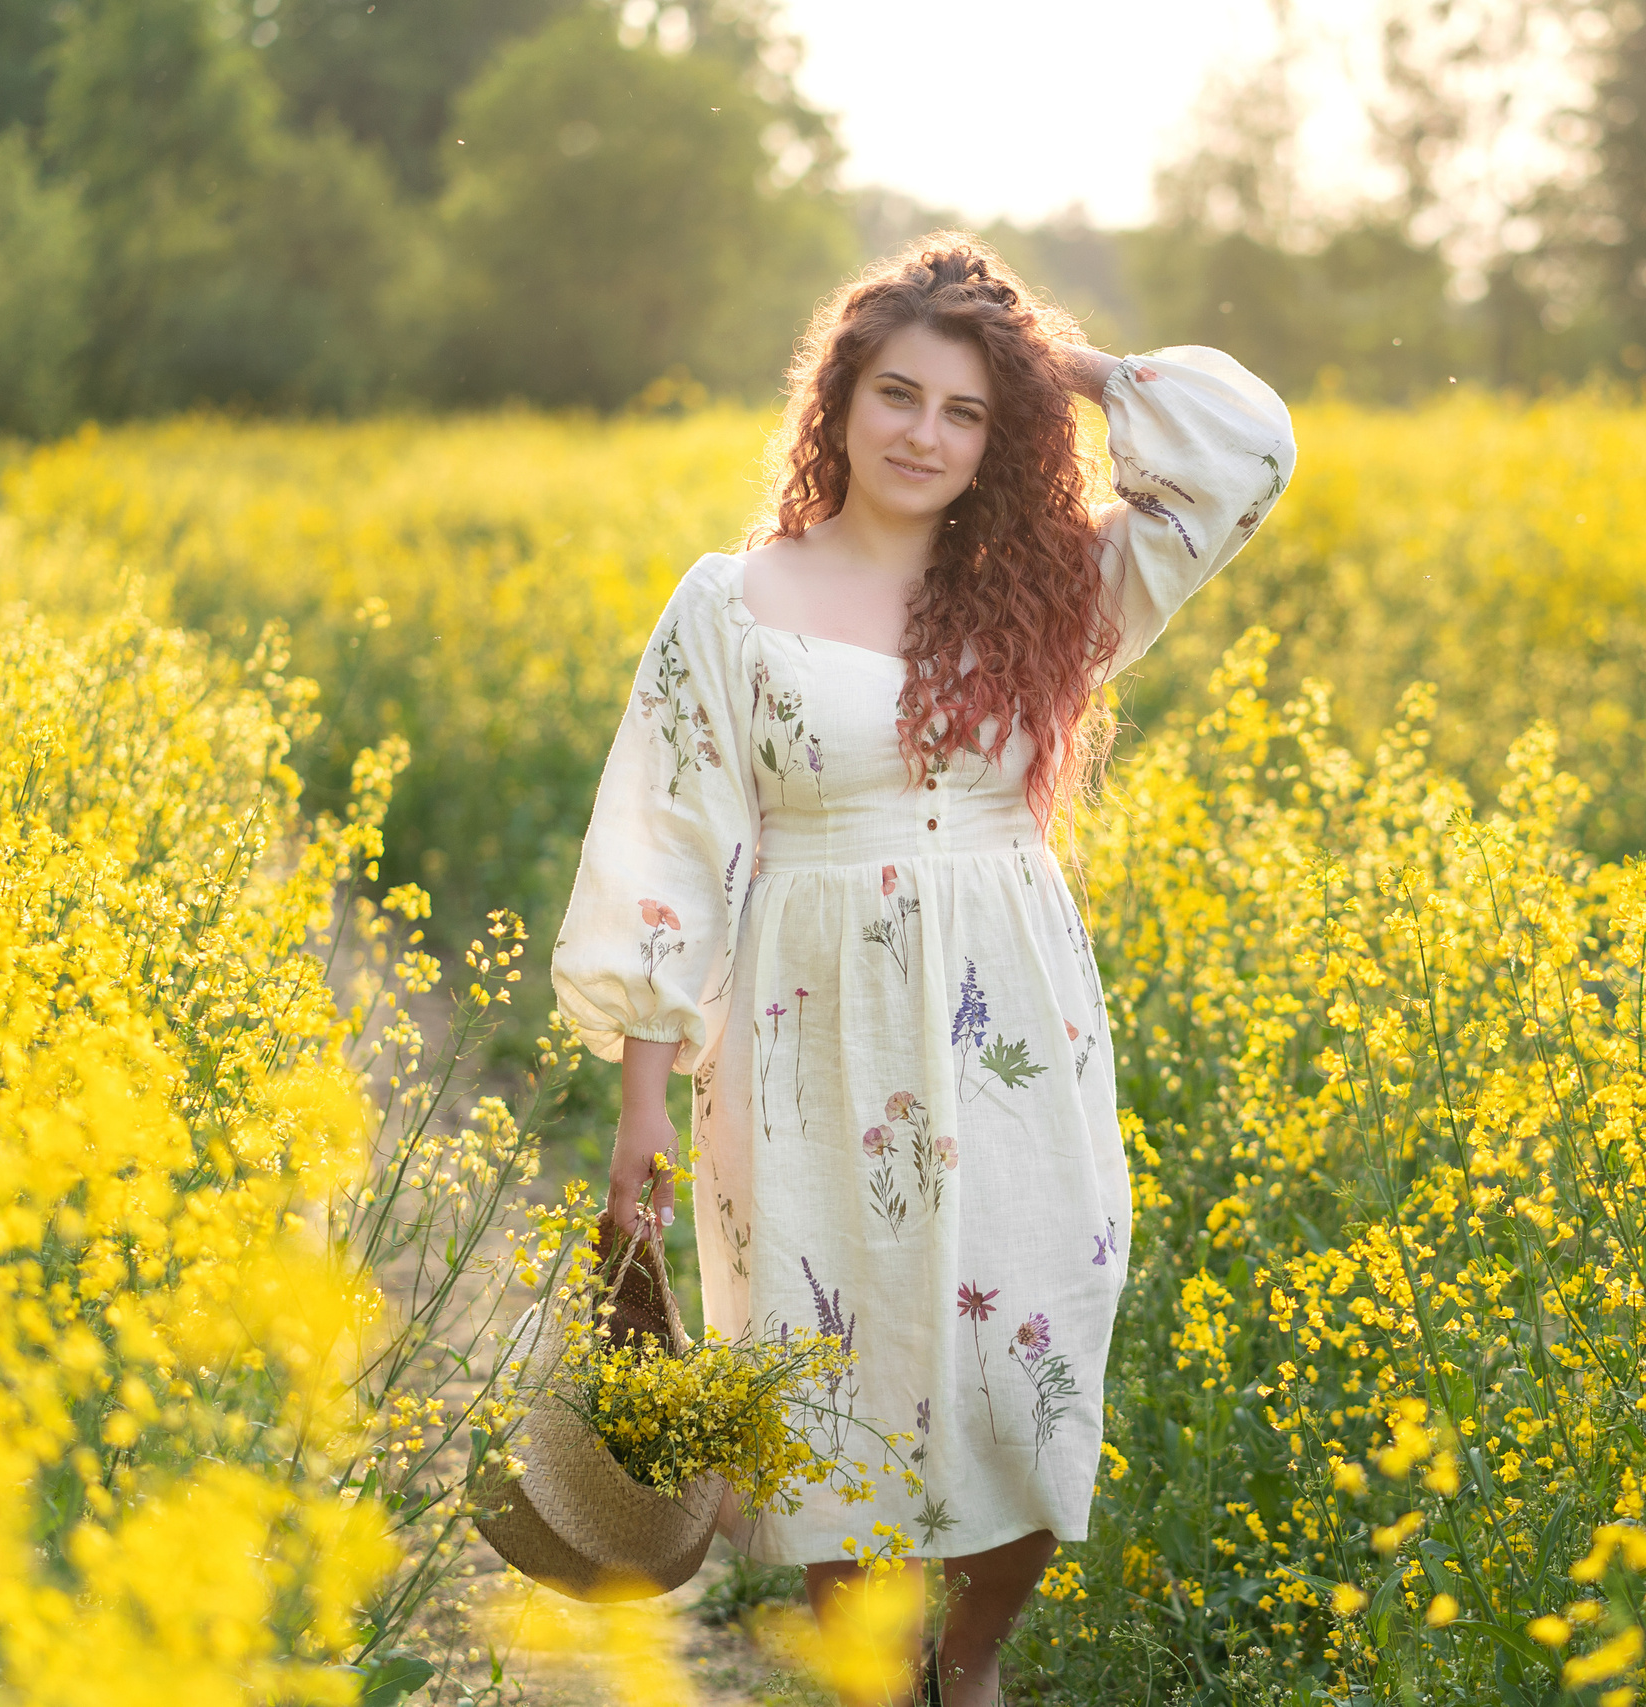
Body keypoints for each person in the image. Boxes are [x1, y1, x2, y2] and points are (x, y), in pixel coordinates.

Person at [549, 235, 1296, 1706]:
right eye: (898, 394)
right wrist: (641, 1107)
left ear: (1001, 434)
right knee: (832, 1379)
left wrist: (1049, 364)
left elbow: (1244, 450)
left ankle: (970, 1668)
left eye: (964, 411)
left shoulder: (1055, 590)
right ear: (834, 401)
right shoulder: (731, 603)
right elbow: (664, 850)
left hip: (1010, 1021)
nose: (925, 434)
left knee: (1039, 1354)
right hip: (806, 1028)